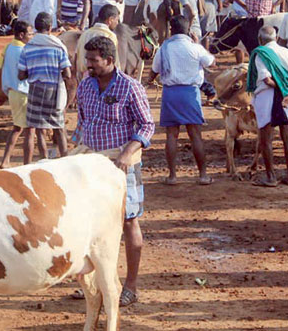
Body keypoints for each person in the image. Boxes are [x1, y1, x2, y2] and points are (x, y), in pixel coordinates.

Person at [75, 36, 154, 307]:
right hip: (90, 163)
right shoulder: (85, 86)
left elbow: (146, 126)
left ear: (109, 60)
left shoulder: (130, 87)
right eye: (87, 60)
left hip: (121, 165)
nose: (88, 65)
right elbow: (82, 124)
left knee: (129, 221)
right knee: (88, 223)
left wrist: (126, 154)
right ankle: (91, 281)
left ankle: (130, 285)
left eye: (94, 61)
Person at [150, 15, 215, 185]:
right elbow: (211, 62)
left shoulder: (164, 48)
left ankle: (172, 176)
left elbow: (154, 70)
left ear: (171, 30)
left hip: (170, 93)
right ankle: (203, 175)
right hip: (190, 93)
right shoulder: (194, 47)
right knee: (195, 135)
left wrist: (148, 81)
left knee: (171, 135)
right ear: (188, 30)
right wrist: (198, 44)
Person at [247, 25, 288, 187]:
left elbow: (266, 80)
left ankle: (271, 177)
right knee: (287, 138)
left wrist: (281, 90)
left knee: (266, 139)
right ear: (276, 38)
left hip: (267, 97)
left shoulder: (260, 55)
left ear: (260, 40)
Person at [18, 12, 73, 162]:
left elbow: (21, 76)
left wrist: (34, 70)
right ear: (50, 27)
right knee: (59, 126)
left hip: (35, 89)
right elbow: (67, 74)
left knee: (39, 129)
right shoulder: (58, 47)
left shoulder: (28, 48)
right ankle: (65, 159)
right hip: (54, 91)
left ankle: (44, 158)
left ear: (36, 28)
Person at [0, 20, 49, 168]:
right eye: (30, 34)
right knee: (30, 131)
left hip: (13, 92)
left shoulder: (8, 47)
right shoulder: (25, 51)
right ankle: (27, 164)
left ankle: (5, 160)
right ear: (22, 35)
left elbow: (1, 65)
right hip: (24, 92)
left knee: (17, 128)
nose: (32, 36)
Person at [75, 4, 121, 78]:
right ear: (110, 20)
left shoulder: (85, 34)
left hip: (83, 78)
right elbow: (115, 63)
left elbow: (76, 56)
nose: (117, 23)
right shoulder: (110, 36)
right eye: (117, 20)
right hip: (102, 79)